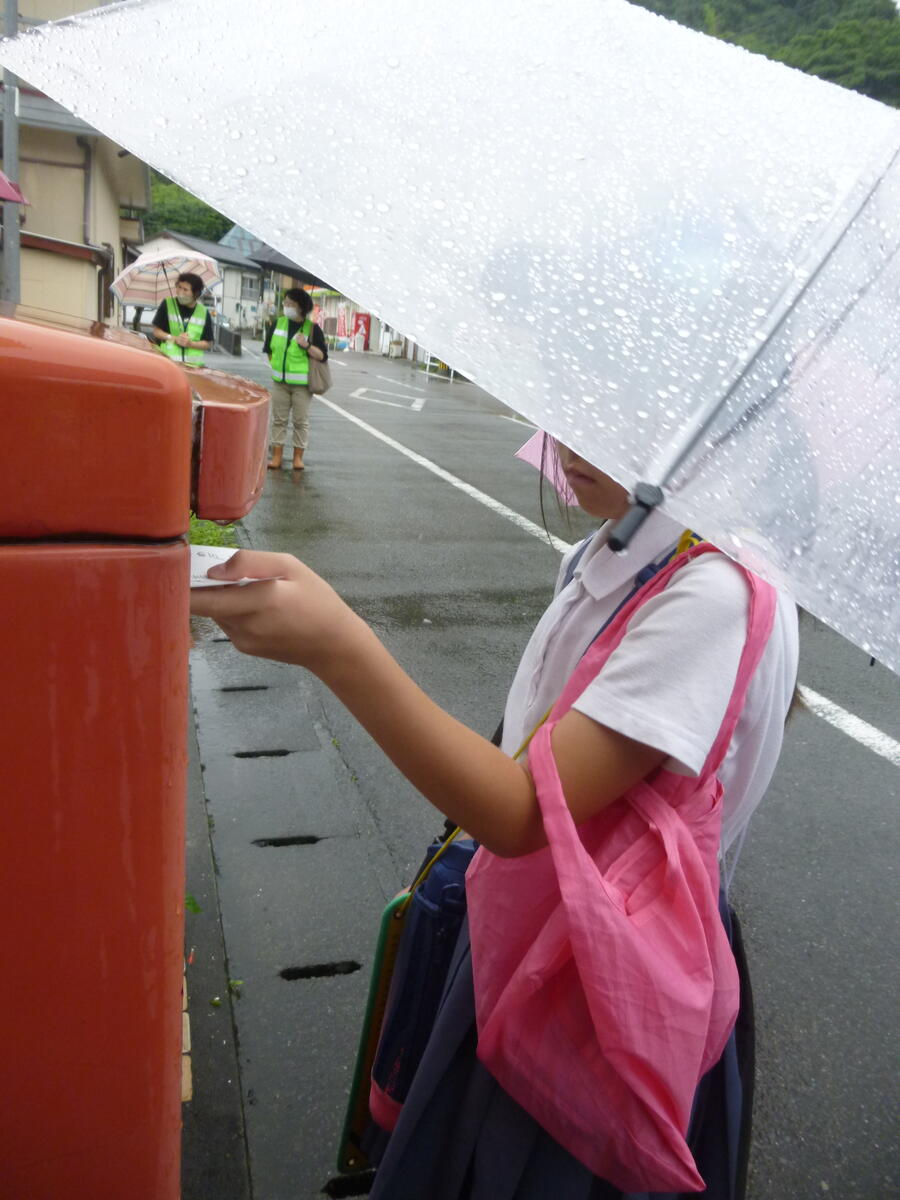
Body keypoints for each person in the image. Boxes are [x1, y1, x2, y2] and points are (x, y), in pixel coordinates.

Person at [190, 441, 798, 1199]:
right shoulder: (612, 549)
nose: (571, 445)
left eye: (616, 426)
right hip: (532, 916)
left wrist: (337, 646)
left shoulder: (715, 594)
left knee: (522, 1161)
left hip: (594, 966)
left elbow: (523, 812)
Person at [263, 288, 329, 470]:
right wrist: (276, 366)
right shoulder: (278, 324)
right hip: (280, 383)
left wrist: (306, 345)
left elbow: (322, 356)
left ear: (301, 307)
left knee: (300, 421)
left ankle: (298, 458)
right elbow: (268, 349)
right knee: (279, 420)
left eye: (290, 303)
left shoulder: (312, 329)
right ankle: (276, 457)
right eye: (285, 303)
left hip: (302, 386)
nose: (286, 306)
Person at [151, 273, 213, 366]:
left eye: (185, 289)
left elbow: (208, 343)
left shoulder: (203, 312)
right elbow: (156, 332)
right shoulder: (167, 304)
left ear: (196, 294)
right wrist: (174, 338)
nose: (180, 292)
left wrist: (190, 344)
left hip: (193, 368)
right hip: (167, 365)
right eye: (179, 287)